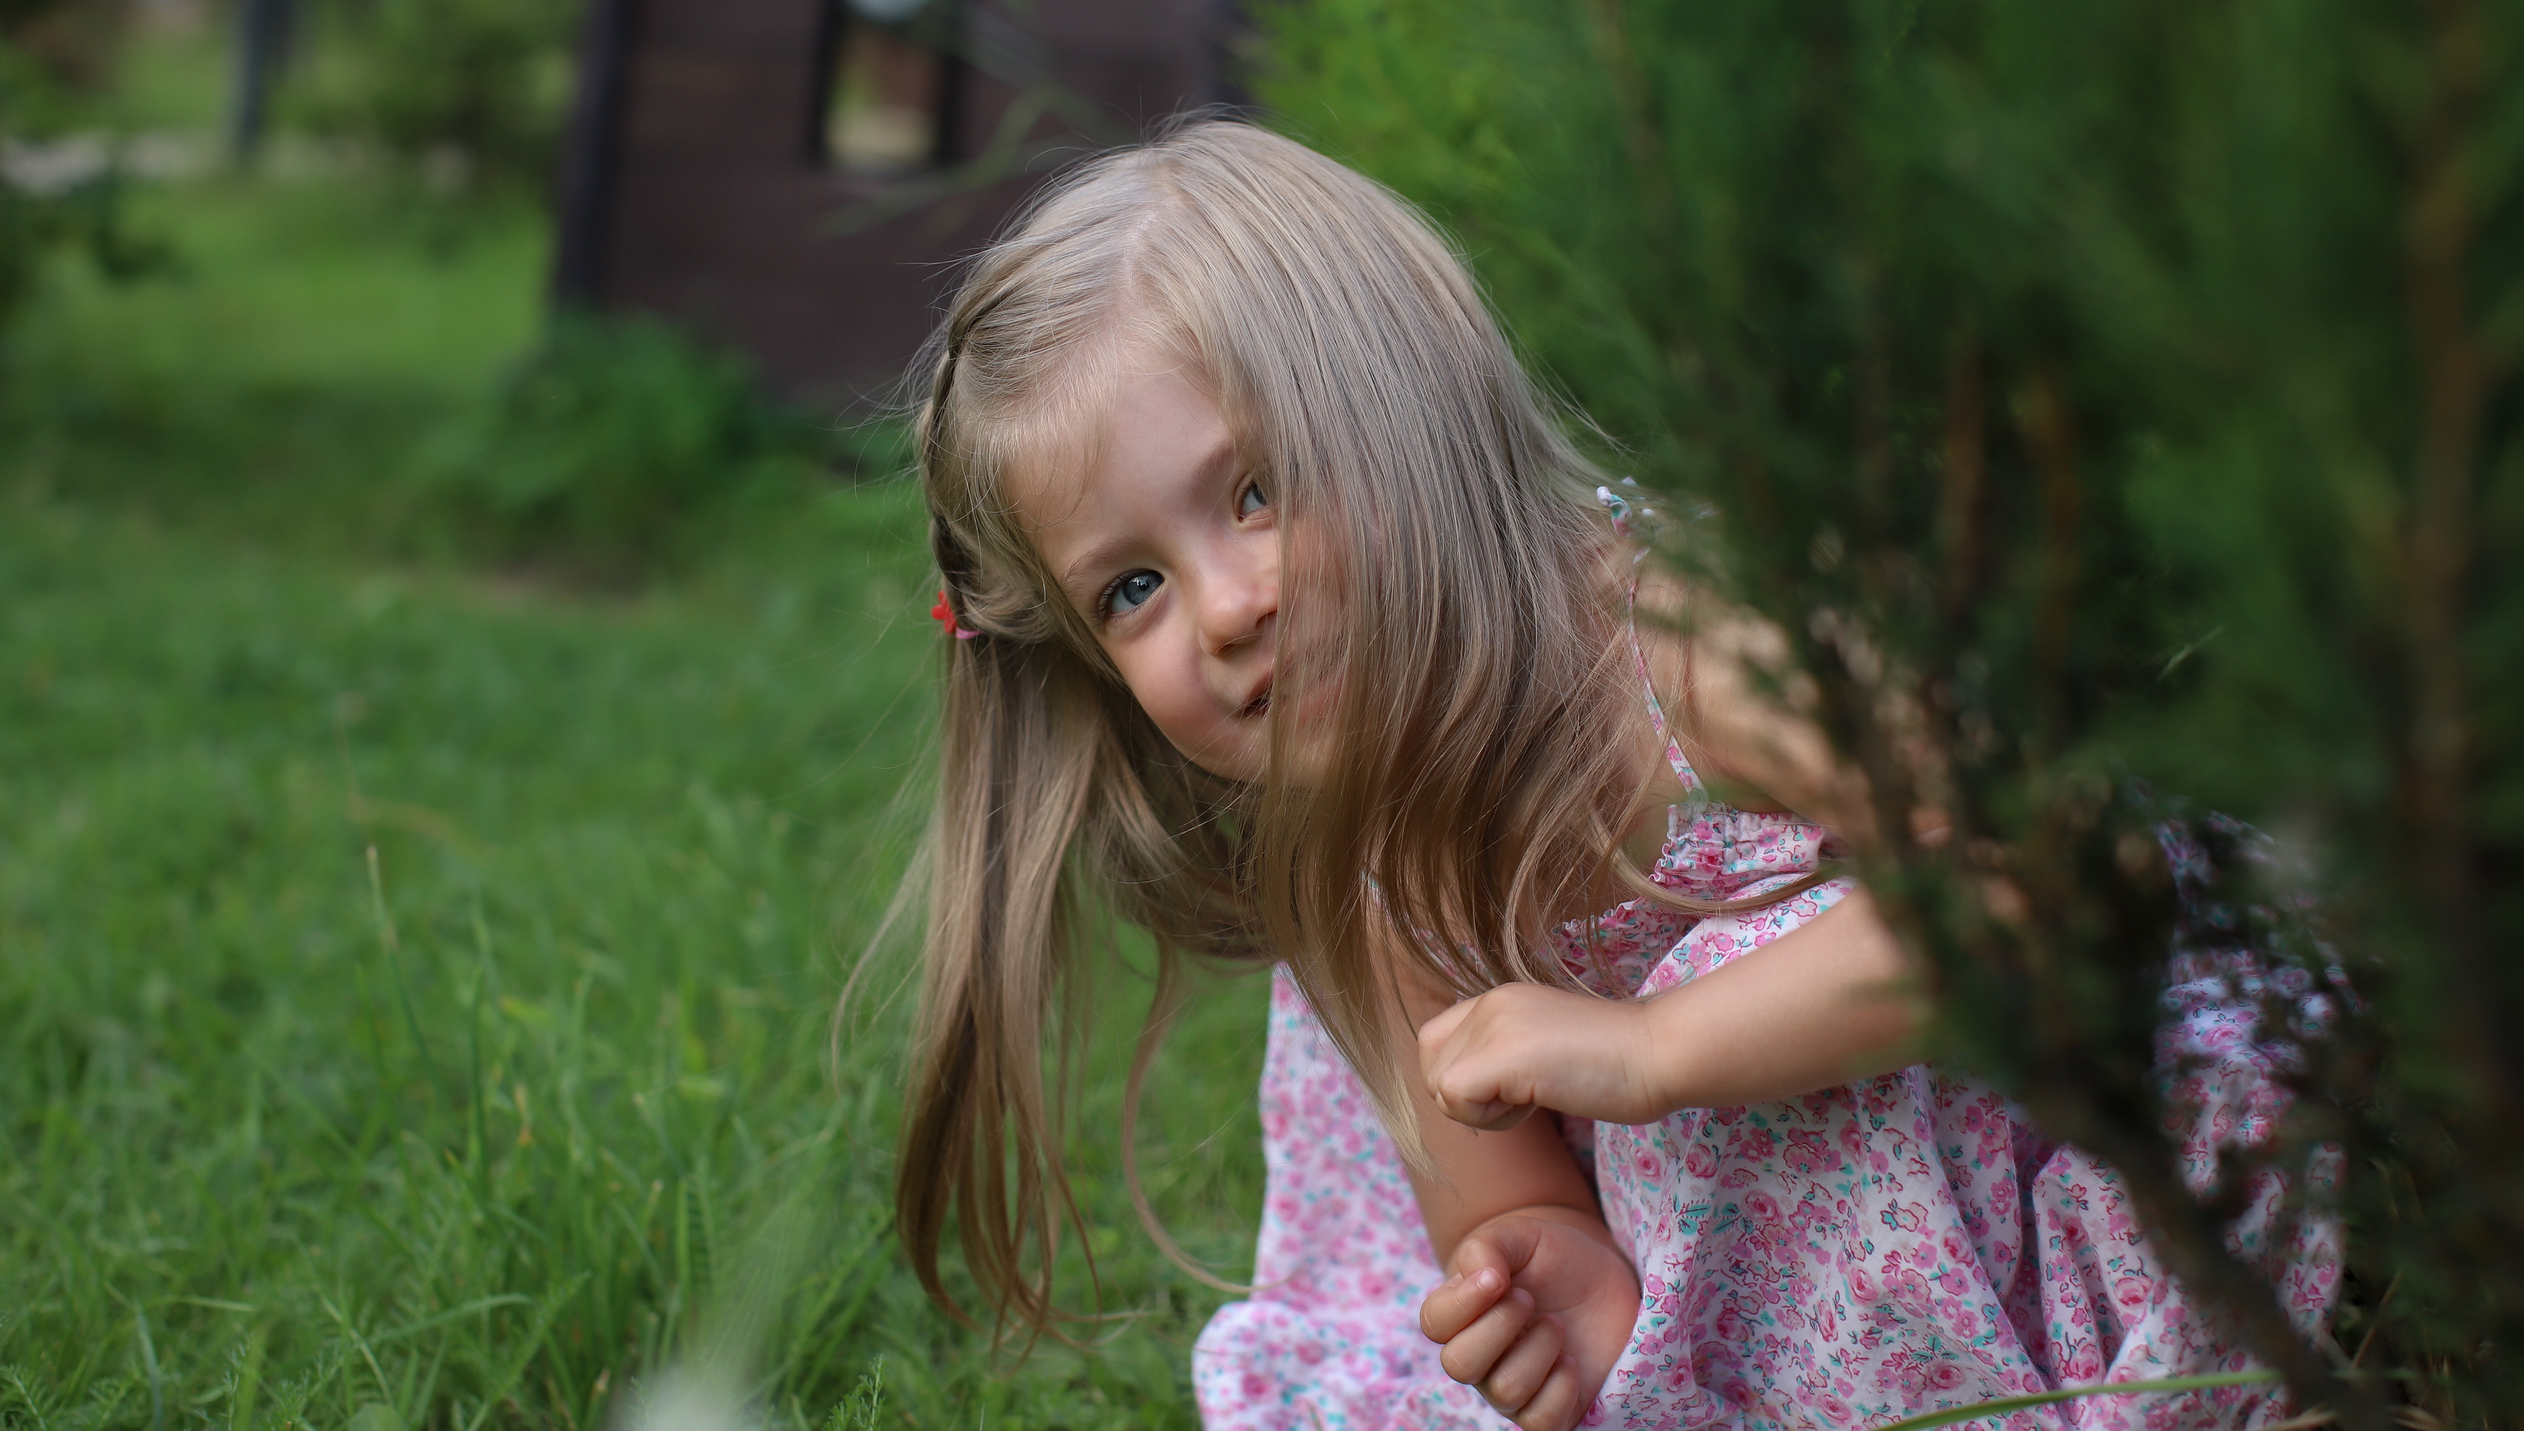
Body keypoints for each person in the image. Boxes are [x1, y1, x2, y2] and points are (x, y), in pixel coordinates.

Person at [893, 121, 2336, 1430]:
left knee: (1739, 1005)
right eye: (1133, 587)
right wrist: (1549, 1270)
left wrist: (1659, 1054)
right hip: (1844, 1298)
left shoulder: (1682, 645)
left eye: (1258, 490)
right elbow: (1502, 1190)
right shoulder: (1370, 846)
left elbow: (2074, 872)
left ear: (1409, 405)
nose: (1225, 609)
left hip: (2088, 1156)